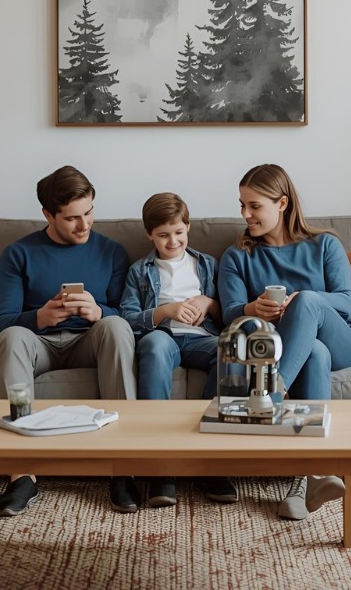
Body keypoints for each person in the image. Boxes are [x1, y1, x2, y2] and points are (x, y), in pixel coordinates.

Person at [217, 163, 351, 521]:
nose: (245, 214)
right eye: (241, 205)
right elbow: (229, 316)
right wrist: (253, 309)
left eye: (254, 206)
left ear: (282, 203)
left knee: (309, 302)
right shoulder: (238, 256)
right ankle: (309, 478)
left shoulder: (324, 244)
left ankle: (268, 397)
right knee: (314, 352)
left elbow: (347, 301)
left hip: (343, 341)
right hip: (296, 348)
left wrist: (301, 300)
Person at [0, 165, 138, 515]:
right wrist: (39, 317)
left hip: (90, 341)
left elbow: (127, 313)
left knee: (116, 327)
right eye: (72, 218)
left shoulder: (112, 252)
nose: (84, 225)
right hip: (38, 345)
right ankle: (21, 473)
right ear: (48, 214)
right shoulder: (18, 254)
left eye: (89, 213)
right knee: (12, 337)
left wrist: (100, 312)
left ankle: (123, 467)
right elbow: (2, 323)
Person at [119, 192, 238, 508]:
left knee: (229, 348)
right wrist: (166, 311)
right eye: (163, 235)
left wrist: (208, 303)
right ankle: (161, 465)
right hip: (162, 336)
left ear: (188, 228)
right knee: (155, 348)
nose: (172, 241)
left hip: (202, 337)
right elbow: (127, 316)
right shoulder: (139, 271)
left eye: (178, 233)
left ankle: (208, 454)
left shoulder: (207, 265)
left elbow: (229, 312)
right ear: (150, 235)